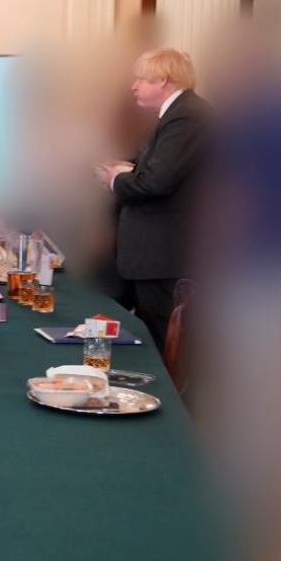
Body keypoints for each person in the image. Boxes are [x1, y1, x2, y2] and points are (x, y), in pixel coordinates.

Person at [95, 46, 211, 352]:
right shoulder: (178, 114)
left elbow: (156, 182)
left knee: (163, 345)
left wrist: (116, 179)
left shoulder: (186, 116)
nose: (133, 86)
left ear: (163, 80)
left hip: (164, 258)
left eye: (141, 79)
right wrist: (127, 169)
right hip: (154, 257)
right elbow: (162, 171)